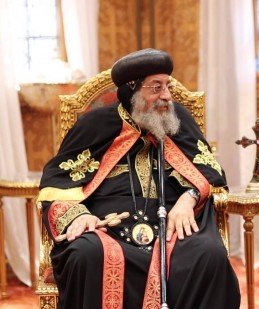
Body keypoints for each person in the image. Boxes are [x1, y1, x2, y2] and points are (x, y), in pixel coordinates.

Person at [37, 48, 240, 309]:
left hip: (172, 229)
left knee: (209, 255)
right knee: (86, 254)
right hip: (106, 228)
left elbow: (210, 172)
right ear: (132, 90)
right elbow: (57, 182)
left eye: (167, 86)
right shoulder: (95, 125)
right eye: (156, 88)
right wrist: (78, 215)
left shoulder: (179, 122)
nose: (166, 96)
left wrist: (189, 198)